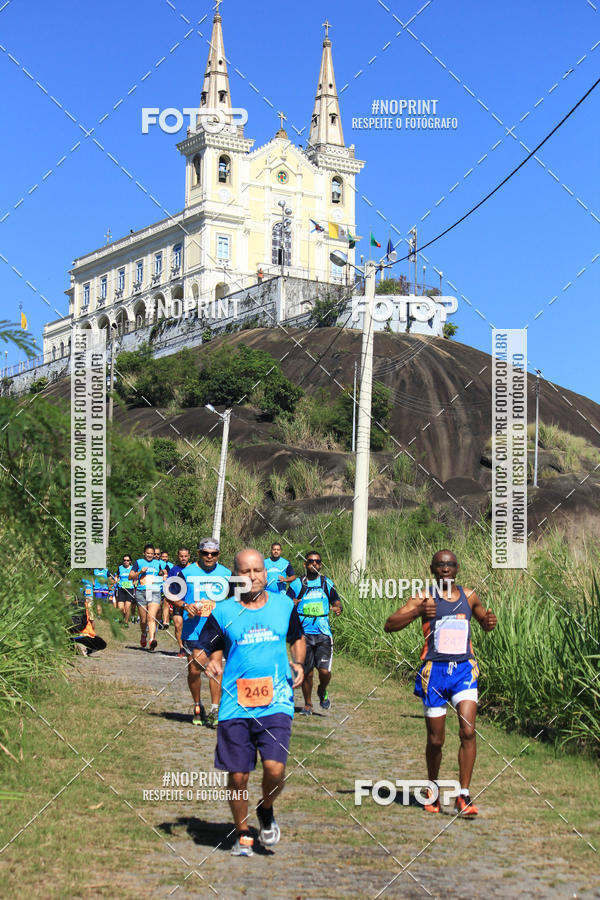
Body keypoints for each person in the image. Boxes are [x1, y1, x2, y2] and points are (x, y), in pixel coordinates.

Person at [196, 548, 305, 856]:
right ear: (236, 577)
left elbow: (296, 637)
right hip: (235, 703)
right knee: (239, 774)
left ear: (266, 574)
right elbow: (206, 648)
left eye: (257, 570)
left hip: (277, 700)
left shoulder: (284, 605)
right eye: (246, 571)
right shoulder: (223, 612)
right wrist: (211, 662)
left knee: (274, 768)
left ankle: (266, 807)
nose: (253, 576)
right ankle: (242, 832)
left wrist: (298, 662)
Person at [384, 549, 497, 817]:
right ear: (432, 569)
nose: (445, 568)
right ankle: (432, 788)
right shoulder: (424, 597)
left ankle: (464, 795)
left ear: (457, 569)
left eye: (450, 564)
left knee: (468, 732)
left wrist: (489, 622)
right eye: (440, 565)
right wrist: (418, 612)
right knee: (436, 740)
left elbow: (484, 621)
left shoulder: (469, 596)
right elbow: (390, 624)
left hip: (463, 671)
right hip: (434, 672)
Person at [170, 538, 231, 727]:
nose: (210, 557)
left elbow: (237, 599)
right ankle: (197, 704)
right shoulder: (185, 573)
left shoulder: (227, 574)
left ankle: (215, 709)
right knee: (194, 671)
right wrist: (186, 605)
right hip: (193, 630)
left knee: (215, 669)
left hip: (216, 630)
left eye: (213, 554)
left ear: (218, 555)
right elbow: (172, 595)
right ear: (199, 554)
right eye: (206, 553)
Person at [287, 551, 342, 715]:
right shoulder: (298, 584)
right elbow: (286, 601)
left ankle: (322, 689)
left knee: (324, 671)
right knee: (308, 672)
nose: (315, 564)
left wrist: (337, 607)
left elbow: (336, 599)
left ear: (321, 564)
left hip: (323, 633)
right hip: (303, 634)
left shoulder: (326, 582)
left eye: (318, 562)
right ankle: (308, 705)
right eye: (311, 561)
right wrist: (292, 602)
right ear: (305, 564)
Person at [130, 543, 163, 651]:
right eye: (148, 553)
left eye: (152, 554)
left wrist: (163, 573)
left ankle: (152, 639)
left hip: (154, 591)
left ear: (155, 554)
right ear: (144, 553)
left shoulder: (158, 563)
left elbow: (164, 573)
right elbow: (131, 576)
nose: (150, 555)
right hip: (141, 592)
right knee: (143, 620)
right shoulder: (138, 562)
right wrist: (140, 572)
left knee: (151, 617)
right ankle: (144, 633)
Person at [164, 546, 190, 657]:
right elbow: (169, 585)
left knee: (188, 626)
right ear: (178, 557)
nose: (183, 558)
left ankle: (190, 645)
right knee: (178, 624)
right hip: (178, 601)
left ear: (189, 556)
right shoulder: (174, 570)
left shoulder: (194, 569)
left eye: (185, 556)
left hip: (191, 602)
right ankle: (181, 648)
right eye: (181, 556)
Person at [114, 554, 134, 626]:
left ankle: (126, 622)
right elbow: (117, 576)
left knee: (127, 607)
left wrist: (135, 582)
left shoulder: (132, 568)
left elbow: (135, 577)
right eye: (124, 560)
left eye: (127, 560)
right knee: (120, 608)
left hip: (129, 589)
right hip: (121, 588)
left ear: (130, 561)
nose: (126, 562)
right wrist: (116, 579)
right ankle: (122, 618)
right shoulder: (120, 568)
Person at [159, 550, 173, 630]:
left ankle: (165, 621)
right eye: (163, 557)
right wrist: (162, 572)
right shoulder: (158, 564)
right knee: (159, 606)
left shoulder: (171, 565)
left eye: (166, 557)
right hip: (159, 587)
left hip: (167, 587)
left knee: (166, 604)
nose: (164, 558)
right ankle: (160, 620)